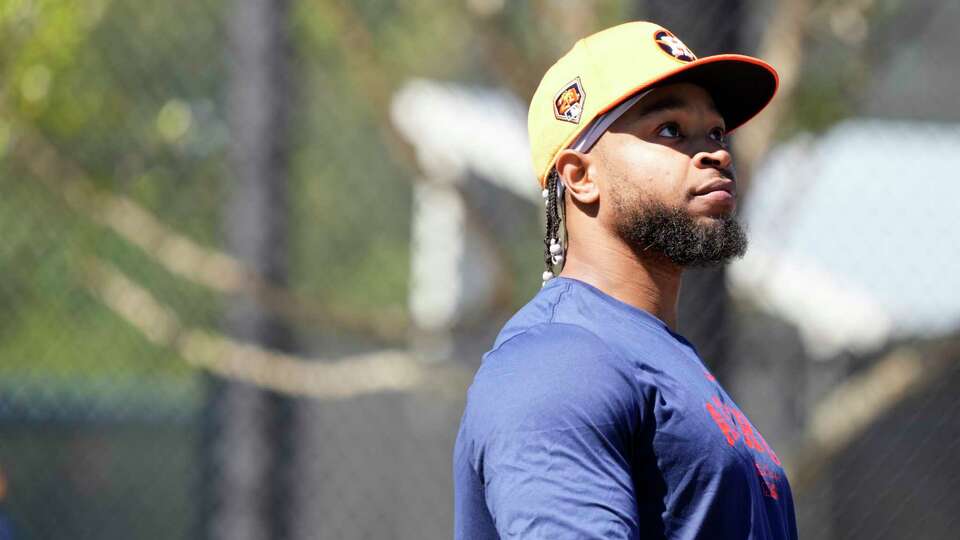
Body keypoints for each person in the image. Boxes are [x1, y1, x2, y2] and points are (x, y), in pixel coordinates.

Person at [453, 21, 798, 539]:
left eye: (716, 132)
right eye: (670, 130)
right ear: (580, 176)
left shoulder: (654, 356)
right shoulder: (558, 362)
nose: (716, 153)